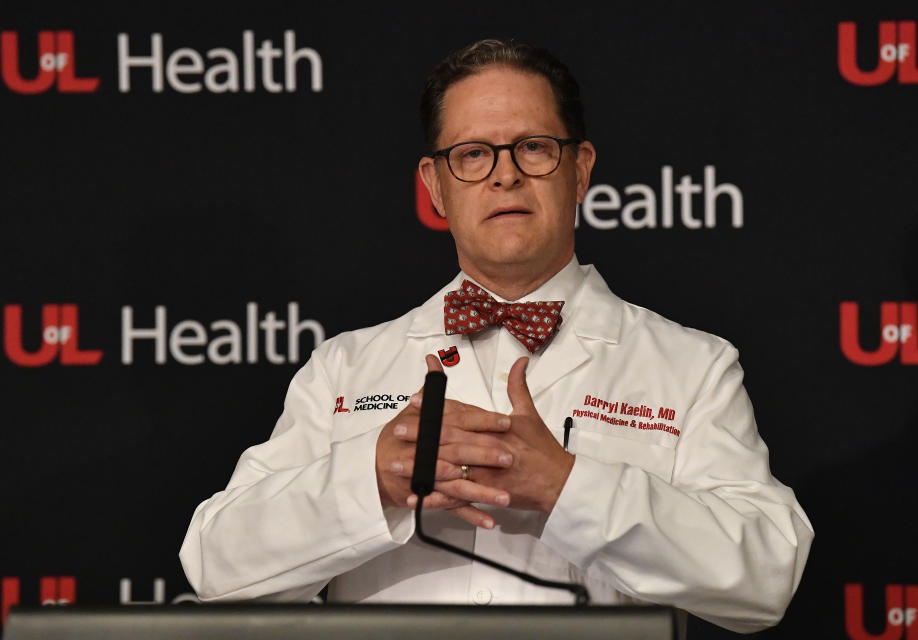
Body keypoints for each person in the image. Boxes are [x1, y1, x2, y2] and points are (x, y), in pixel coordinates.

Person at [180, 39, 813, 633]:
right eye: (473, 153)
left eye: (533, 147)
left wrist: (569, 487)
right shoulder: (343, 368)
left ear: (580, 169)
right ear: (435, 186)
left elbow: (765, 577)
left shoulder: (692, 365)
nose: (504, 176)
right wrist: (369, 479)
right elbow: (215, 567)